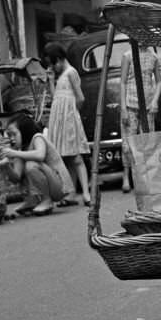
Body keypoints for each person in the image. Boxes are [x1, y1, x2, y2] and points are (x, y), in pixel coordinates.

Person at [43, 42, 91, 206]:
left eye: (53, 63)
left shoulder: (71, 72)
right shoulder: (61, 76)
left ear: (59, 59)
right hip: (60, 119)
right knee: (67, 157)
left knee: (76, 157)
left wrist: (72, 114)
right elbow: (55, 98)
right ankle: (71, 193)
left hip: (69, 120)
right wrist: (51, 81)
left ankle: (86, 193)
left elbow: (80, 98)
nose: (53, 67)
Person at [3, 115, 73, 216]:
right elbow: (16, 178)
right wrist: (5, 164)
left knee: (31, 165)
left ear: (25, 131)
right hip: (52, 184)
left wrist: (14, 153)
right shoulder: (20, 151)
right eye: (9, 135)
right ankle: (32, 200)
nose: (11, 138)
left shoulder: (38, 137)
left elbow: (40, 155)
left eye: (14, 134)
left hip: (60, 187)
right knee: (27, 166)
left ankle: (46, 200)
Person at [119, 44, 161, 193]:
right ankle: (126, 175)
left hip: (147, 105)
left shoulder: (153, 57)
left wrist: (155, 100)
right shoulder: (128, 55)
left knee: (147, 142)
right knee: (128, 143)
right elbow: (123, 82)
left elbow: (159, 81)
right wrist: (123, 108)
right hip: (130, 103)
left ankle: (145, 177)